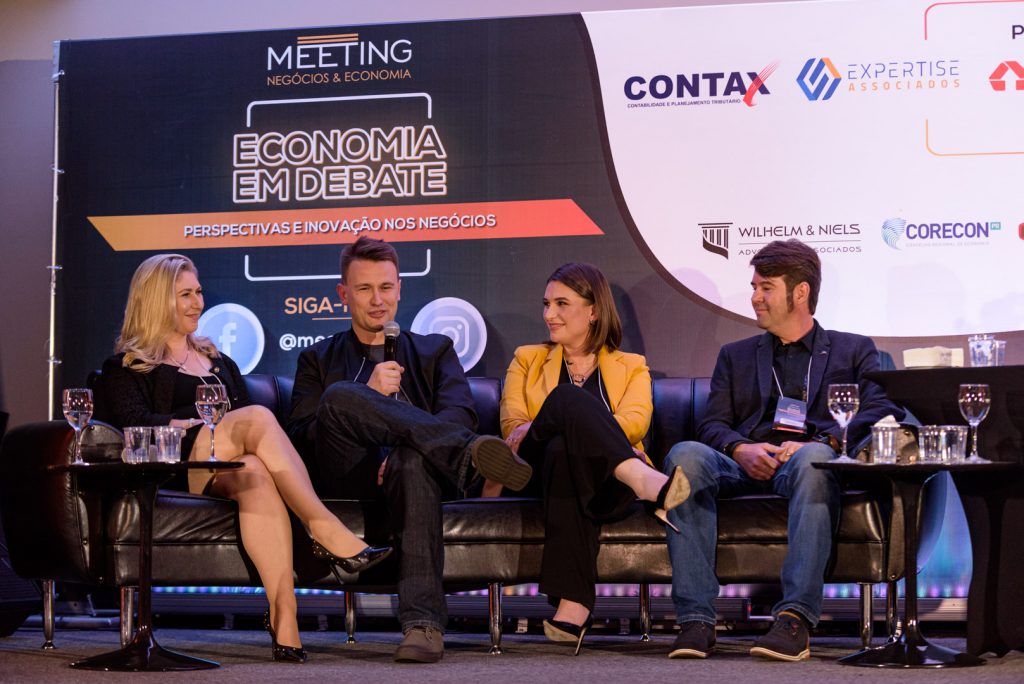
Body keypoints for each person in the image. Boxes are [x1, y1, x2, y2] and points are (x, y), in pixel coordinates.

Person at [98, 254, 391, 664]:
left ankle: (284, 613)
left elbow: (241, 430)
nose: (198, 303)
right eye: (185, 295)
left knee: (254, 469)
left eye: (198, 292)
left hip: (225, 467)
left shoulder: (219, 362)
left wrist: (223, 430)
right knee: (256, 417)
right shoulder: (128, 366)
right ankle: (322, 526)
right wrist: (184, 424)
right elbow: (132, 423)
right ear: (157, 300)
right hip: (175, 468)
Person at [286, 236, 530, 664]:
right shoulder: (317, 358)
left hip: (420, 474)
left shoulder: (435, 350)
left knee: (412, 460)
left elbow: (461, 416)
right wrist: (367, 393)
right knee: (339, 396)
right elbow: (303, 435)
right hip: (350, 473)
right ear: (343, 294)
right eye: (364, 289)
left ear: (399, 288)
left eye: (386, 287)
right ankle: (464, 456)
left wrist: (402, 444)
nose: (377, 300)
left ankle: (423, 626)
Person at [662, 239, 903, 662]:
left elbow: (881, 407)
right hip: (741, 464)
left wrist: (824, 440)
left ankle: (794, 619)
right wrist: (739, 448)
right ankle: (696, 620)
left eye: (766, 287)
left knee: (815, 461)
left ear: (800, 292)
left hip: (806, 461)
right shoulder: (735, 356)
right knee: (685, 456)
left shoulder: (853, 349)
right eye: (754, 287)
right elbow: (712, 424)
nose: (755, 297)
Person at [494, 262, 690, 655]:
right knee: (565, 402)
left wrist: (573, 433)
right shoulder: (527, 358)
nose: (549, 314)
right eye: (547, 304)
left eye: (562, 304)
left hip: (602, 483)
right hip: (534, 473)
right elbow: (513, 426)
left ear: (593, 311)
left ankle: (575, 606)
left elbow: (636, 421)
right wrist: (578, 425)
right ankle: (642, 479)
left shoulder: (631, 365)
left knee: (563, 449)